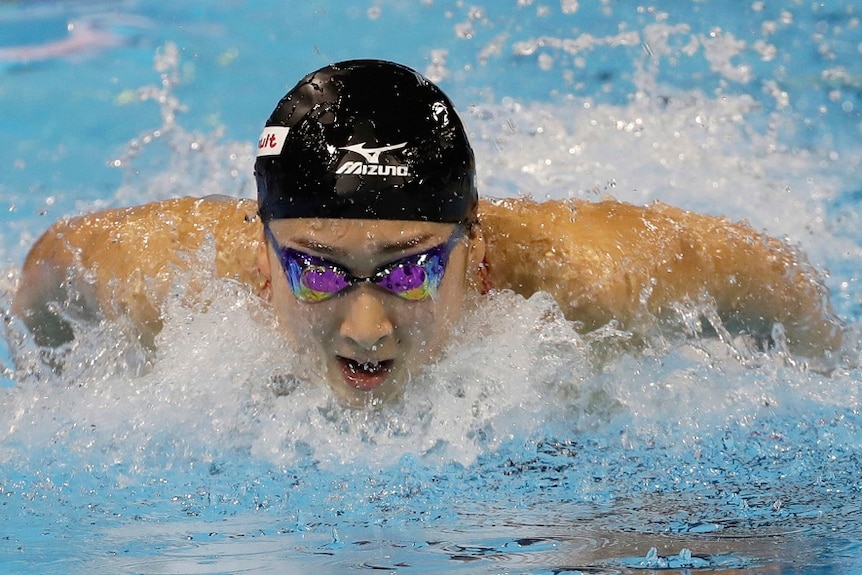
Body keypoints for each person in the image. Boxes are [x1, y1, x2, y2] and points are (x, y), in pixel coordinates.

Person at [12, 60, 844, 406]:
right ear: (259, 252)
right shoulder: (154, 276)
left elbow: (778, 281)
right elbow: (47, 283)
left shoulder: (596, 281)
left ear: (474, 254)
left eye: (408, 271)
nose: (366, 329)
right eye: (320, 271)